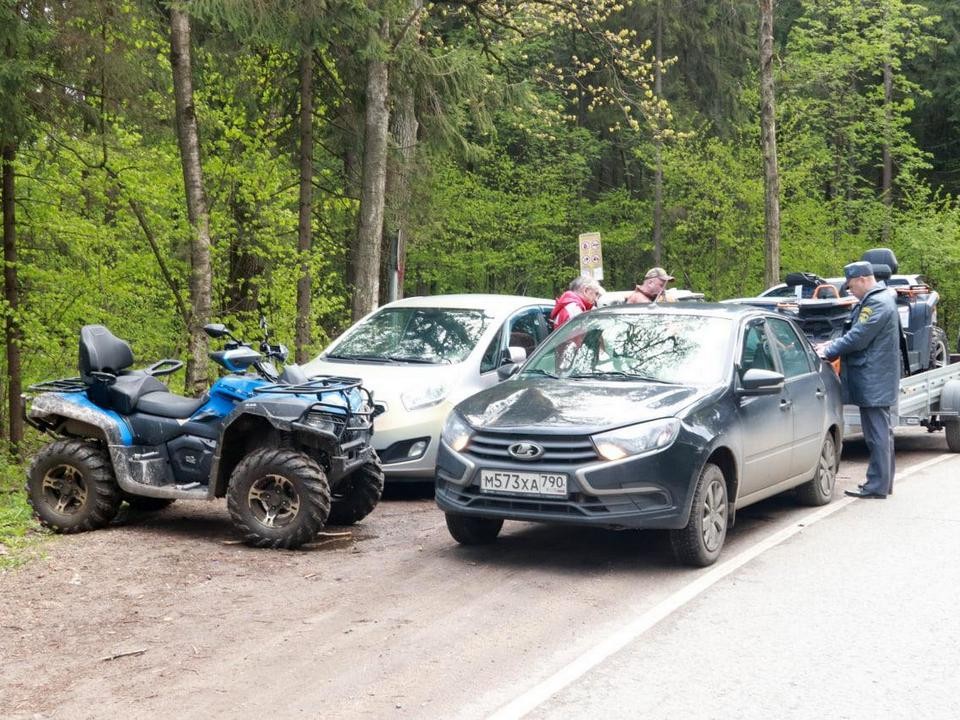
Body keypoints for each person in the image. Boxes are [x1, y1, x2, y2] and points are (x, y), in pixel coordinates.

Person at [815, 261, 900, 499]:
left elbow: (858, 337)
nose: (851, 291)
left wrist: (829, 350)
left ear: (863, 279)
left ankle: (877, 486)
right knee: (881, 432)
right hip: (876, 378)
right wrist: (831, 345)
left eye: (852, 286)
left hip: (874, 379)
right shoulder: (878, 299)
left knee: (877, 435)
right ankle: (882, 483)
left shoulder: (877, 302)